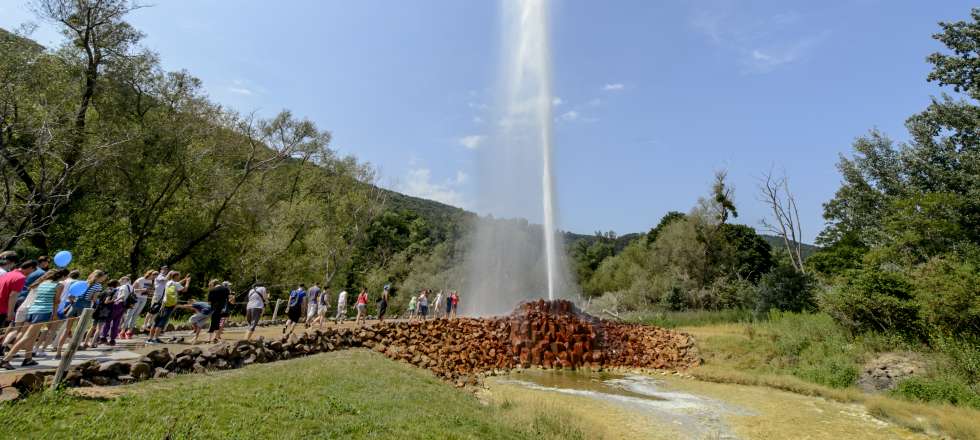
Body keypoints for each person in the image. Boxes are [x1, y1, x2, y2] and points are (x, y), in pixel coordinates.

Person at [0, 269, 68, 370]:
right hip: (43, 312)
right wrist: (54, 315)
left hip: (32, 310)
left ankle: (28, 358)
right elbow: (56, 301)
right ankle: (6, 359)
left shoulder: (42, 283)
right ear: (61, 277)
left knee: (32, 336)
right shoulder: (59, 285)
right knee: (27, 336)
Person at [147, 271, 190, 344]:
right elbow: (185, 289)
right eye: (179, 276)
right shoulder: (175, 284)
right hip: (169, 306)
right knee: (161, 323)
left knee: (156, 321)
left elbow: (178, 284)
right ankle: (156, 339)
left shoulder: (168, 282)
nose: (179, 277)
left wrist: (184, 279)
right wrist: (187, 282)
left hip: (162, 304)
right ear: (176, 277)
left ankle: (150, 339)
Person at [0, 260, 36, 332]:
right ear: (31, 268)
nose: (32, 273)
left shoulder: (8, 273)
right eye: (33, 270)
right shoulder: (20, 277)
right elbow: (13, 295)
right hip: (2, 308)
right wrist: (10, 312)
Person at [98, 276, 132, 346]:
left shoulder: (122, 287)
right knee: (116, 323)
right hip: (123, 306)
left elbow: (122, 295)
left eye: (121, 279)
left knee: (108, 321)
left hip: (116, 305)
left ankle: (103, 337)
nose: (120, 281)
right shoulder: (131, 287)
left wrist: (115, 300)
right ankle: (112, 339)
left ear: (125, 280)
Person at [122, 270, 155, 339]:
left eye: (155, 275)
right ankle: (122, 331)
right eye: (153, 275)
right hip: (136, 298)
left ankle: (129, 332)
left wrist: (150, 292)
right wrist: (142, 290)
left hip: (144, 299)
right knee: (130, 314)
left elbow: (147, 290)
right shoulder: (140, 279)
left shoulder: (150, 281)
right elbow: (132, 289)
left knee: (136, 315)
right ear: (149, 274)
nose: (154, 277)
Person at [88, 279, 117, 348]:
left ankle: (86, 341)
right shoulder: (112, 291)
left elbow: (98, 299)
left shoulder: (104, 290)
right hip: (104, 311)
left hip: (98, 309)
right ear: (115, 285)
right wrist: (114, 300)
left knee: (92, 327)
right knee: (99, 328)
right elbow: (106, 302)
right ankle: (93, 343)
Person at [143, 267, 170, 333]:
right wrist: (170, 273)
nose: (165, 271)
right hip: (157, 296)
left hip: (162, 297)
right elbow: (165, 280)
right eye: (163, 269)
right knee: (151, 311)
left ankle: (150, 325)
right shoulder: (159, 276)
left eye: (166, 269)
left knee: (157, 312)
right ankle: (145, 325)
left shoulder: (166, 277)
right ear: (161, 270)